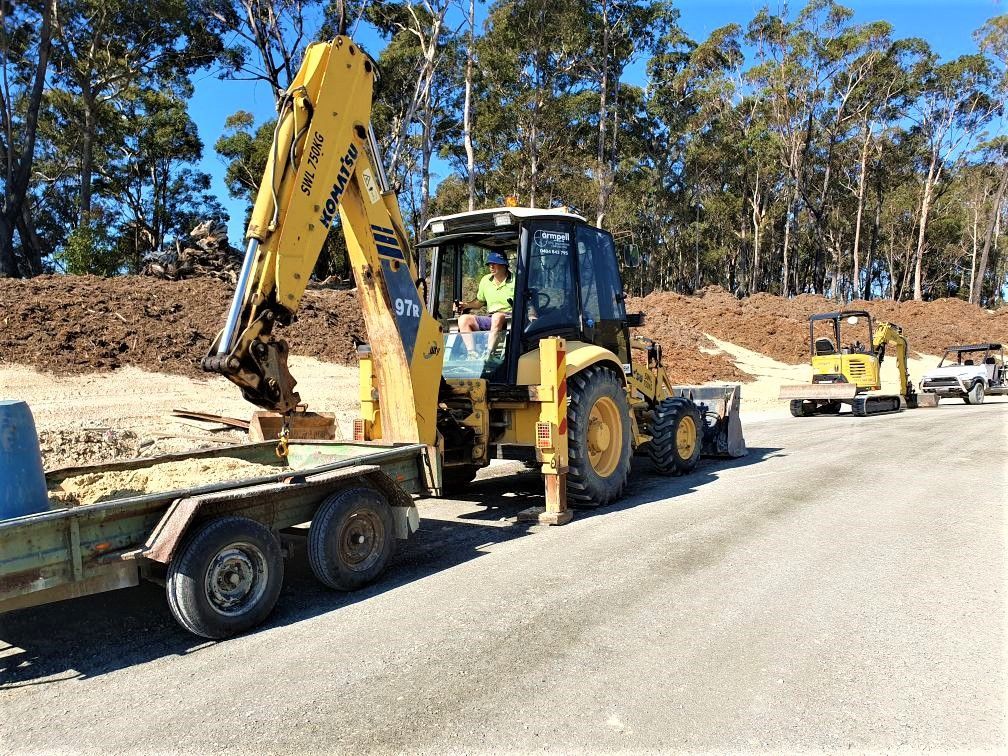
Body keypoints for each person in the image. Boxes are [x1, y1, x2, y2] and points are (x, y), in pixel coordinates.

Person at [454, 252, 514, 358]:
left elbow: (527, 302)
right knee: (463, 319)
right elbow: (480, 302)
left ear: (504, 265)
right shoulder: (486, 280)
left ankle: (489, 354)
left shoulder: (515, 280)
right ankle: (472, 354)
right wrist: (465, 305)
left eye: (495, 263)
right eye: (489, 264)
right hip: (491, 318)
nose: (491, 266)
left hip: (511, 318)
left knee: (497, 317)